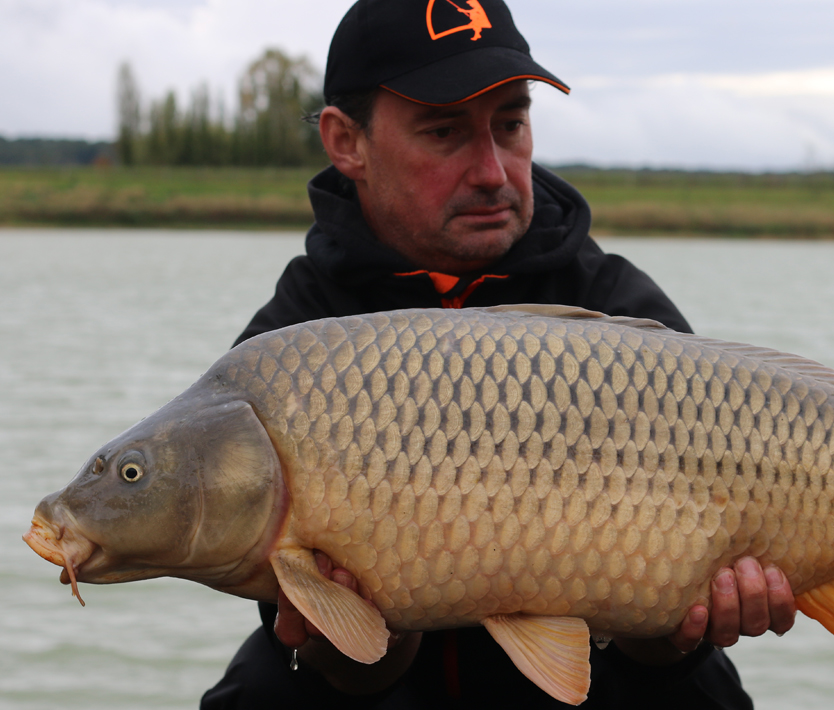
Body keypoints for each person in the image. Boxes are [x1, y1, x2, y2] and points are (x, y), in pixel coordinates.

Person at [201, 1, 795, 707]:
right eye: (445, 131)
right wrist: (359, 645)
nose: (491, 170)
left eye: (510, 124)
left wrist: (670, 630)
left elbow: (662, 648)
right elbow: (330, 650)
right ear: (346, 142)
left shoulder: (618, 309)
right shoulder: (294, 346)